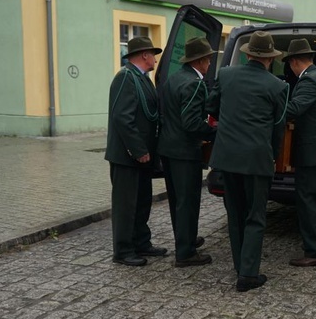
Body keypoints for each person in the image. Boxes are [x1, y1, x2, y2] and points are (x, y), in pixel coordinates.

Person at [207, 31, 288, 292]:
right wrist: (273, 155)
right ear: (269, 58)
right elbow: (278, 127)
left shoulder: (226, 75)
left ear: (249, 54)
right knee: (255, 215)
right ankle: (248, 275)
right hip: (257, 159)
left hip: (227, 158)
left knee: (235, 213)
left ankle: (239, 265)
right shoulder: (278, 86)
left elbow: (211, 106)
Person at [105, 36, 169, 267]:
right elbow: (123, 118)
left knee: (142, 202)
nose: (155, 58)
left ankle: (141, 242)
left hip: (142, 156)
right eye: (153, 54)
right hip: (127, 156)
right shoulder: (125, 77)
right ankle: (122, 251)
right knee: (126, 205)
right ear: (144, 55)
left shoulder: (142, 79)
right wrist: (138, 149)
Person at [157, 37, 216, 267]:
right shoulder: (194, 83)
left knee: (177, 200)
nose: (210, 64)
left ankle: (186, 238)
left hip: (169, 149)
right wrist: (212, 131)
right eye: (209, 60)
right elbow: (191, 123)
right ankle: (185, 252)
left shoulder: (174, 78)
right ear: (200, 61)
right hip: (184, 151)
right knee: (188, 201)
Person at [283, 39, 316, 267]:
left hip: (313, 153)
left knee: (308, 202)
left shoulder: (308, 81)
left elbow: (293, 109)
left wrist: (266, 102)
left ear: (295, 61)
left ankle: (315, 251)